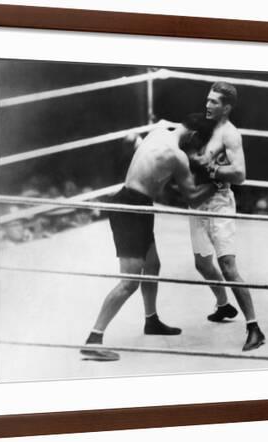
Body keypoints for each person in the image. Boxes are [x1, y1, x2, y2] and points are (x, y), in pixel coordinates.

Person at [82, 115, 218, 361]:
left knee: (152, 264)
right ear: (195, 137)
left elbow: (166, 122)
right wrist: (218, 183)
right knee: (129, 282)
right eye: (199, 145)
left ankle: (151, 320)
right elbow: (193, 198)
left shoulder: (159, 131)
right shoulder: (176, 156)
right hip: (132, 208)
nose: (197, 151)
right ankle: (94, 338)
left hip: (135, 203)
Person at [188, 82, 265, 352]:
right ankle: (223, 306)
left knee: (228, 267)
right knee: (201, 263)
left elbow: (240, 174)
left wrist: (209, 171)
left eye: (214, 102)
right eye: (207, 100)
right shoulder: (204, 127)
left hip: (219, 203)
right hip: (198, 202)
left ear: (227, 107)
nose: (208, 105)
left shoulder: (230, 134)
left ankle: (254, 328)